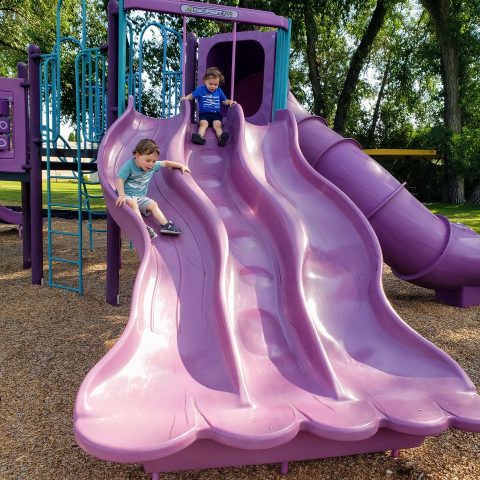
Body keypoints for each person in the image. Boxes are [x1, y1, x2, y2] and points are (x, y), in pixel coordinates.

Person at [115, 139, 191, 239]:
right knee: (133, 203)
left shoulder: (153, 166)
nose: (151, 164)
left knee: (153, 205)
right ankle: (142, 228)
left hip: (140, 197)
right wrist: (121, 195)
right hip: (126, 196)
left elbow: (166, 163)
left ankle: (166, 225)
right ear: (137, 155)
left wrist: (182, 166)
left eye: (153, 161)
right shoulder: (129, 166)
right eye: (148, 160)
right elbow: (119, 180)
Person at [181, 67, 237, 146]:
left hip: (216, 114)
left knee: (217, 125)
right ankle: (200, 137)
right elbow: (192, 95)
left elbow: (224, 101)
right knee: (203, 124)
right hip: (204, 114)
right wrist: (186, 98)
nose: (213, 86)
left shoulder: (219, 91)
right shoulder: (201, 89)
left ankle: (221, 137)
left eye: (215, 85)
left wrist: (230, 102)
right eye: (210, 84)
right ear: (205, 81)